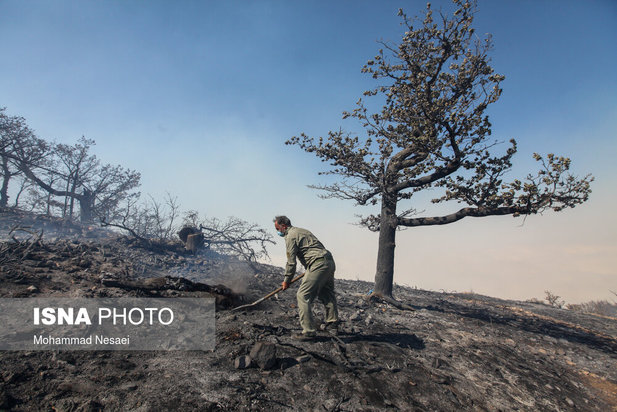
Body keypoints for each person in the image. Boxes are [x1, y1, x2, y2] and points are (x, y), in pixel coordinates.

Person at [273, 215, 339, 340]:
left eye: (277, 228)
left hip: (317, 263)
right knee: (327, 293)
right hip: (328, 261)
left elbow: (291, 262)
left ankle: (308, 331)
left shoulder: (290, 236)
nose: (277, 231)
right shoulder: (302, 231)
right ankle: (332, 325)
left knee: (302, 295)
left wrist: (287, 280)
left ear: (283, 226)